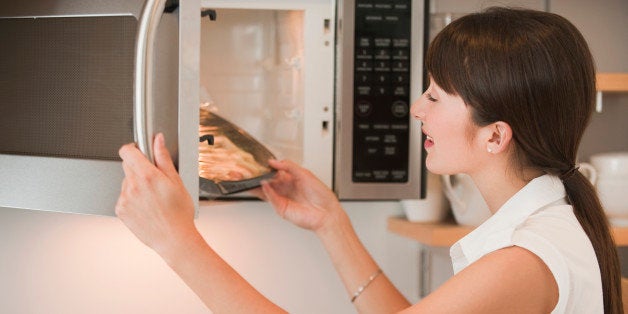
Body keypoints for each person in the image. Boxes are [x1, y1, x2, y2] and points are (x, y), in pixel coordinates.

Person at [115, 7, 622, 314]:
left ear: (495, 136)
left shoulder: (523, 261)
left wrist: (176, 242)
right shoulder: (545, 229)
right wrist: (333, 224)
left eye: (437, 96)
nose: (416, 109)